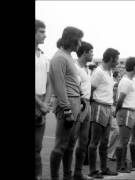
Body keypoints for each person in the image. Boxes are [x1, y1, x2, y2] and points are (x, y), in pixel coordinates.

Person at [49, 26, 84, 180]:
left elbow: (71, 81)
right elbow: (59, 85)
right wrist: (67, 109)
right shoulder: (59, 57)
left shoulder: (68, 56)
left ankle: (67, 176)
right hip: (67, 104)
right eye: (80, 40)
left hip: (75, 102)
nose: (81, 44)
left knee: (70, 145)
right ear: (72, 39)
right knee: (61, 146)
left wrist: (80, 97)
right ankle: (55, 177)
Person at [88, 48, 120, 178]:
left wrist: (111, 105)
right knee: (94, 141)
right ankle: (92, 170)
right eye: (117, 59)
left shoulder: (110, 72)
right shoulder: (99, 72)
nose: (118, 62)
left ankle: (104, 168)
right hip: (99, 106)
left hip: (107, 107)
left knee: (105, 141)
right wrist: (94, 106)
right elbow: (90, 90)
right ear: (111, 59)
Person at [68, 41, 94, 180]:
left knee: (84, 141)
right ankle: (68, 173)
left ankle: (78, 172)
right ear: (84, 52)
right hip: (78, 103)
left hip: (87, 104)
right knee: (72, 140)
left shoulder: (87, 69)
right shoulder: (74, 67)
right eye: (91, 52)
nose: (93, 55)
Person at [115, 57, 135, 173]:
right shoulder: (126, 81)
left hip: (129, 111)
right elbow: (120, 100)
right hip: (126, 111)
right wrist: (117, 111)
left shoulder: (129, 81)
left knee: (124, 140)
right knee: (123, 140)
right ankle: (120, 166)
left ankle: (122, 164)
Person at [35, 19, 52, 180]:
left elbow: (49, 83)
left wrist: (45, 103)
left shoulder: (44, 57)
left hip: (41, 106)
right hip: (37, 103)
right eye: (41, 32)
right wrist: (41, 103)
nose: (45, 35)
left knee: (37, 147)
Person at [107, 71, 121, 161]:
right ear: (115, 76)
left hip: (115, 107)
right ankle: (109, 152)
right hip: (111, 107)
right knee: (116, 130)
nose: (120, 78)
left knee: (116, 131)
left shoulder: (117, 84)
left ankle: (111, 153)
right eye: (119, 76)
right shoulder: (115, 84)